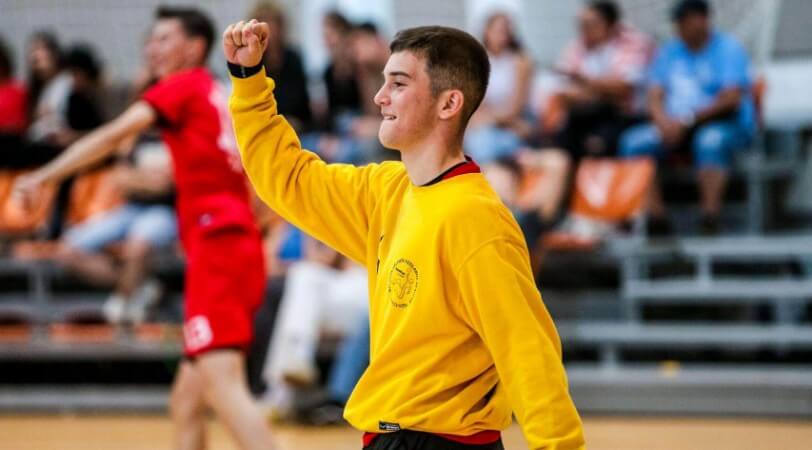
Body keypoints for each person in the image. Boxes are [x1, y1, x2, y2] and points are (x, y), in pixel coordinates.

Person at [225, 19, 584, 450]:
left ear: (448, 103)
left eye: (398, 83)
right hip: (389, 437)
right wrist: (249, 81)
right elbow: (288, 178)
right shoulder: (385, 190)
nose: (380, 97)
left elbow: (527, 351)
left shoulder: (476, 219)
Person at [14, 7, 273, 450]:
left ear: (195, 47)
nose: (152, 48)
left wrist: (44, 177)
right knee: (186, 401)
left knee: (224, 385)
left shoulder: (182, 86)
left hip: (219, 244)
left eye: (164, 39)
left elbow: (113, 135)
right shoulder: (213, 91)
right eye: (151, 40)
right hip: (233, 241)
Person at [618, 0, 756, 234]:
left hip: (721, 123)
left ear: (702, 20)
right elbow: (654, 94)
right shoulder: (670, 51)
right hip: (675, 126)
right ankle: (657, 219)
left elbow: (730, 98)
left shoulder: (728, 49)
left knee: (709, 141)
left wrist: (688, 120)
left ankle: (709, 217)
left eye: (685, 21)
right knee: (634, 142)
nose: (680, 27)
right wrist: (662, 122)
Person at [465, 12, 532, 164]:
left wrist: (489, 118)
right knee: (478, 142)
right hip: (490, 125)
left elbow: (515, 108)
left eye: (505, 32)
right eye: (497, 31)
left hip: (509, 124)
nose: (502, 36)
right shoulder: (476, 62)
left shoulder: (521, 62)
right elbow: (475, 104)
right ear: (487, 32)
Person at [250, 1, 312, 131]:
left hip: (296, 127)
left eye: (274, 23)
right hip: (264, 128)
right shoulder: (253, 62)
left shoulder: (293, 58)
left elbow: (303, 104)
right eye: (264, 24)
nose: (270, 31)